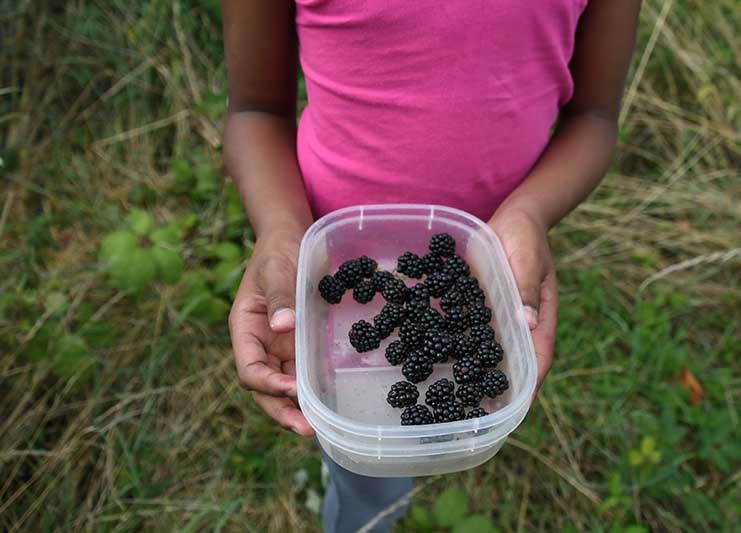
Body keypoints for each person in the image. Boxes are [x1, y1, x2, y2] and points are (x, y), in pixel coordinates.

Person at [223, 1, 640, 531]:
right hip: (337, 294)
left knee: (456, 418)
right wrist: (280, 228)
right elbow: (255, 110)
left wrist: (530, 213)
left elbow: (595, 117)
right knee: (366, 470)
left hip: (484, 289)